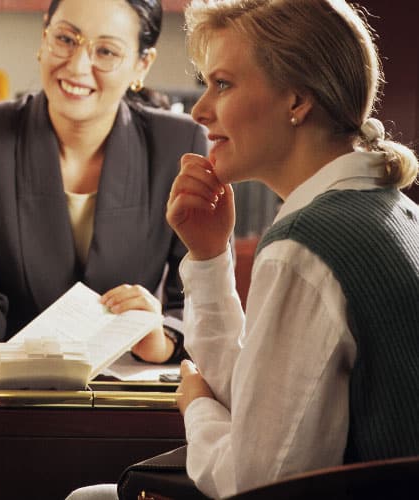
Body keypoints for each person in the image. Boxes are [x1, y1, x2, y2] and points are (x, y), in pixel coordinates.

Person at [68, 0, 419, 498]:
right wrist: (210, 257)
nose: (198, 108)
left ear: (297, 100)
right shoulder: (391, 212)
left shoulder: (305, 246)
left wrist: (197, 409)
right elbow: (273, 406)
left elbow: (254, 483)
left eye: (223, 84)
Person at [0, 0, 208, 370]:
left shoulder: (180, 144)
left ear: (142, 64)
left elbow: (201, 298)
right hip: (9, 391)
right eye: (66, 39)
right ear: (45, 37)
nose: (76, 66)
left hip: (128, 392)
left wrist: (162, 338)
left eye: (106, 51)